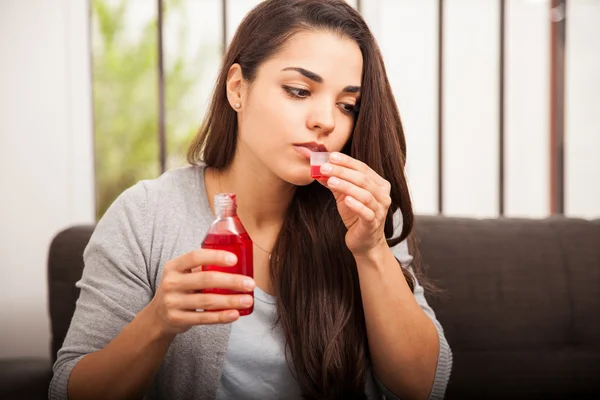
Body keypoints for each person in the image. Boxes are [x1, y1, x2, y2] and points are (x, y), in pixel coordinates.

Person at [49, 0, 452, 399]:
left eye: (347, 105)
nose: (326, 120)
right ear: (238, 88)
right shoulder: (146, 216)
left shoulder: (364, 214)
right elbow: (68, 391)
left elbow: (422, 387)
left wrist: (371, 250)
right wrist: (157, 321)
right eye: (299, 91)